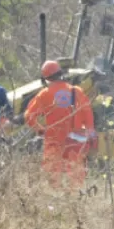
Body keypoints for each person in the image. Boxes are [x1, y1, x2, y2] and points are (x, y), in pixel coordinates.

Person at [23, 60, 98, 189]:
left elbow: (28, 116)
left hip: (53, 140)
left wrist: (40, 130)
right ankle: (75, 200)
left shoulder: (44, 94)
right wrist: (90, 134)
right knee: (76, 177)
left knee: (53, 177)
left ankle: (56, 201)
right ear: (60, 73)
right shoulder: (76, 92)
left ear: (46, 78)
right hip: (75, 140)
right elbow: (88, 115)